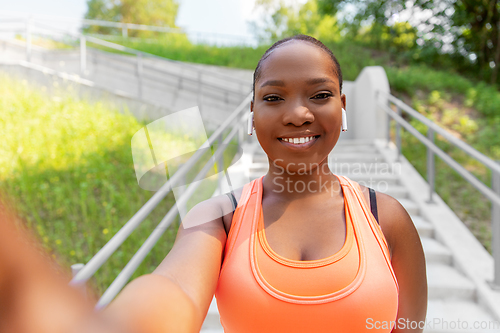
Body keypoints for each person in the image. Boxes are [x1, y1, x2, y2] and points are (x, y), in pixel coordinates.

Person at [103, 35, 427, 333]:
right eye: (273, 97)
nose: (298, 114)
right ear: (253, 113)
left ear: (342, 106)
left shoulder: (386, 217)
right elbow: (174, 289)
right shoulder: (217, 218)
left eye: (320, 95)